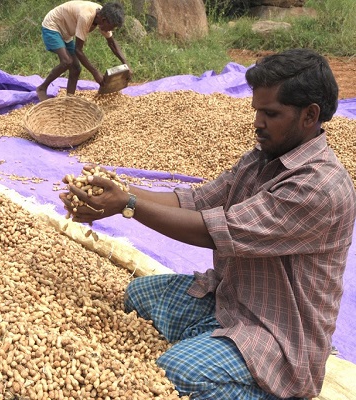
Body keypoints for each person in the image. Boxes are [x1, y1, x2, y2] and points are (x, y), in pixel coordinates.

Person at [59, 48, 356, 399]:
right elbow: (199, 200)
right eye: (257, 110)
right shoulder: (263, 157)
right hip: (231, 298)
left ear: (310, 116)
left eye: (270, 113)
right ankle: (215, 344)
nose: (257, 123)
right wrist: (118, 187)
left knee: (175, 372)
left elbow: (219, 230)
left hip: (278, 333)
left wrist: (128, 205)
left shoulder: (319, 187)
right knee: (138, 295)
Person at [36, 1, 129, 102]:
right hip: (53, 26)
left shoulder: (103, 15)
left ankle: (69, 100)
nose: (110, 30)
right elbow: (78, 50)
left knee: (76, 68)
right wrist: (95, 72)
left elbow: (112, 44)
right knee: (67, 61)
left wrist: (126, 65)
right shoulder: (86, 16)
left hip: (66, 32)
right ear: (103, 20)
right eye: (111, 27)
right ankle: (42, 88)